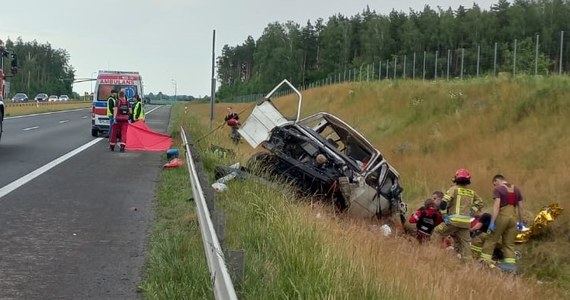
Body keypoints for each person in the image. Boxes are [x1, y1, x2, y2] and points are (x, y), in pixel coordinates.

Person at [433, 168, 484, 261]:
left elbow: (443, 203)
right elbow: (480, 202)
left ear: (456, 179)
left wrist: (444, 216)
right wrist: (471, 211)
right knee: (466, 245)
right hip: (465, 223)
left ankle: (436, 255)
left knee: (436, 232)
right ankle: (467, 265)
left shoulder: (453, 189)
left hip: (453, 221)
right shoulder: (471, 192)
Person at [480, 174, 524, 270]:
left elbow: (496, 206)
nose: (495, 186)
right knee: (509, 244)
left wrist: (492, 222)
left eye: (494, 184)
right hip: (513, 218)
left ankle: (485, 264)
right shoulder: (517, 189)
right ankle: (510, 269)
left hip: (502, 216)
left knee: (491, 240)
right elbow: (520, 207)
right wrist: (521, 222)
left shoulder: (498, 189)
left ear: (496, 180)